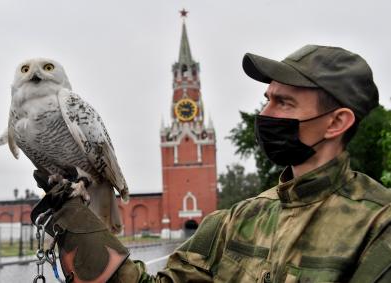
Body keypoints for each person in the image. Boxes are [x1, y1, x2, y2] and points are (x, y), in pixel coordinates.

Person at [32, 45, 391, 283]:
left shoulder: (377, 226)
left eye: (284, 104)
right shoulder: (236, 221)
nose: (264, 114)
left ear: (336, 122)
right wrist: (74, 216)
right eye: (265, 100)